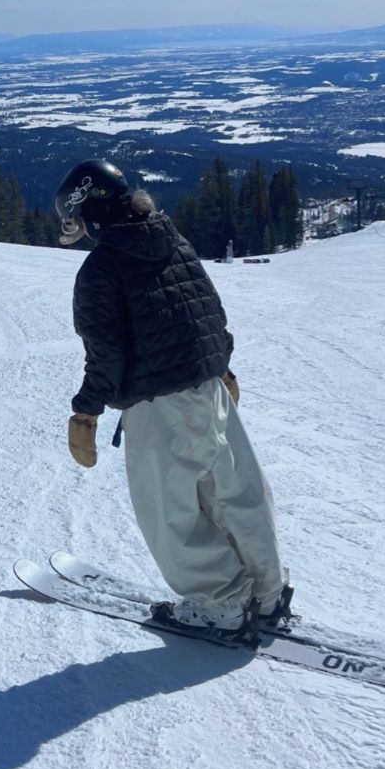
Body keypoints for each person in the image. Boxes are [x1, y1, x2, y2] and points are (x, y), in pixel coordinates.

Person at [54, 158, 292, 638]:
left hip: (159, 403)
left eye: (76, 222)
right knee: (235, 492)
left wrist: (87, 409)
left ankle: (221, 605)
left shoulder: (101, 268)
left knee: (170, 511)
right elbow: (205, 308)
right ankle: (266, 595)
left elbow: (107, 352)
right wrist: (219, 364)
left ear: (91, 213)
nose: (78, 232)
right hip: (208, 389)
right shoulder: (170, 237)